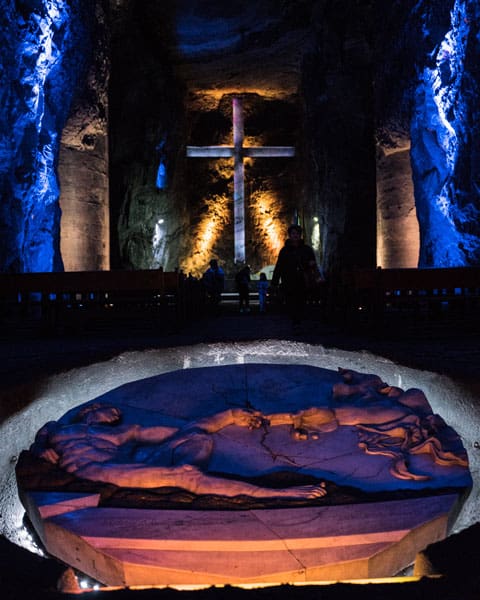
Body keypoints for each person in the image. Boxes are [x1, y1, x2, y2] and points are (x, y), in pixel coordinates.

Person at [29, 403, 327, 500]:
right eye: (111, 412)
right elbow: (41, 436)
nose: (115, 414)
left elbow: (185, 430)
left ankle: (187, 475)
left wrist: (227, 417)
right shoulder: (59, 428)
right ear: (94, 410)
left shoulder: (122, 432)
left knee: (198, 437)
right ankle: (280, 494)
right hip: (90, 472)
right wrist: (43, 450)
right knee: (186, 475)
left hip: (126, 464)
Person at [270, 224, 318, 331]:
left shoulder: (307, 250)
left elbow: (313, 263)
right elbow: (279, 266)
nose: (295, 236)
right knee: (291, 302)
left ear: (300, 235)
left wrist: (311, 266)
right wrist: (275, 282)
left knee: (301, 301)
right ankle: (295, 321)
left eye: (297, 234)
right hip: (289, 281)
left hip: (302, 280)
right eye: (293, 234)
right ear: (290, 235)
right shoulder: (284, 251)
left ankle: (298, 321)